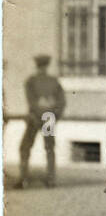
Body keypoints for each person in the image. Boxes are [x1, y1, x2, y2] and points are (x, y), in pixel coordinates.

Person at [17, 55, 66, 188]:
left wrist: (40, 113)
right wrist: (53, 115)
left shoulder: (31, 81)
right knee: (49, 148)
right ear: (46, 66)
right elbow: (61, 102)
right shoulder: (54, 81)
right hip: (48, 118)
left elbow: (31, 101)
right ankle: (51, 180)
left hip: (35, 118)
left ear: (37, 65)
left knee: (25, 147)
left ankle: (24, 179)